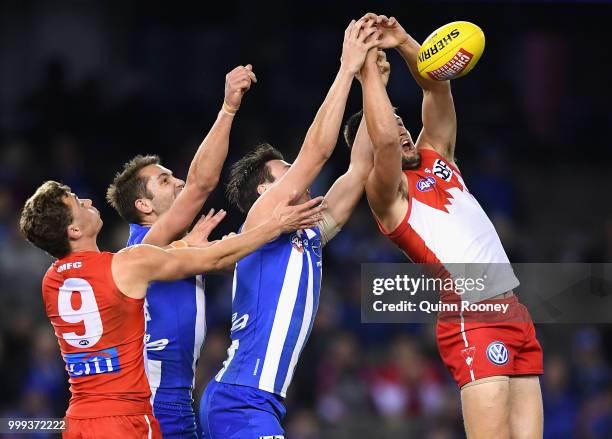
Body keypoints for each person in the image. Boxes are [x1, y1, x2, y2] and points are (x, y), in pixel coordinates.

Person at [347, 13, 543, 439]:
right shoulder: (388, 197)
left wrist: (402, 41)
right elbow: (381, 141)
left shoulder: (437, 154)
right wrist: (369, 79)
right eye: (391, 124)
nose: (399, 129)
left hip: (514, 310)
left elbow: (436, 83)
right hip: (471, 315)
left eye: (402, 123)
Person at [19, 180, 324, 439]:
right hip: (125, 418)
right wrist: (277, 226)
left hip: (79, 420)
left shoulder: (50, 281)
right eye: (77, 203)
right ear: (73, 229)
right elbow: (216, 260)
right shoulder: (127, 264)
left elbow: (114, 272)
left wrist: (178, 247)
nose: (85, 200)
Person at [199, 18, 381, 439]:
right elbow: (317, 151)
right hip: (240, 399)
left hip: (259, 401)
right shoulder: (261, 217)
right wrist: (346, 68)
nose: (302, 178)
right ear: (265, 190)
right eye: (287, 171)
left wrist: (373, 81)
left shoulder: (307, 232)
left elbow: (358, 170)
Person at [105, 64, 255, 438]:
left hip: (174, 398)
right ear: (143, 206)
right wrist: (228, 109)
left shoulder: (176, 247)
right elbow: (202, 185)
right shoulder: (146, 244)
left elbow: (236, 264)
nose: (180, 183)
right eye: (165, 180)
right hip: (153, 399)